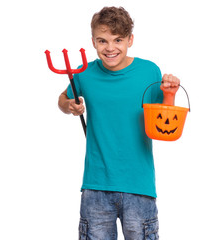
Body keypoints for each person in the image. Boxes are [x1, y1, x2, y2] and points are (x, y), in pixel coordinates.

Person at [58, 6, 180, 240]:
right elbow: (63, 99)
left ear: (130, 40)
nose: (110, 48)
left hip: (139, 186)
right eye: (103, 41)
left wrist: (170, 94)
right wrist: (69, 105)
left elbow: (166, 123)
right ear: (93, 41)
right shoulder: (84, 73)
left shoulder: (149, 71)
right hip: (96, 185)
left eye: (118, 40)